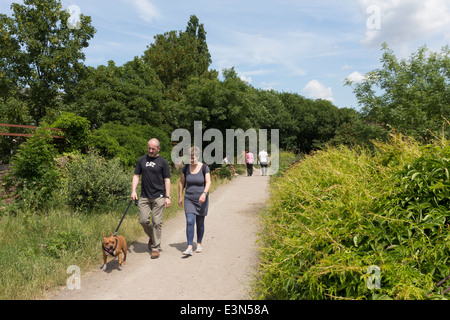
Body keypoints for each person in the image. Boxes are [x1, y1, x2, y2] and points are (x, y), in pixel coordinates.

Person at [131, 138, 171, 259]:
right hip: (144, 196)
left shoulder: (163, 162)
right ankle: (153, 237)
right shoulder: (142, 160)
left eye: (153, 148)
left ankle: (155, 247)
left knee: (157, 222)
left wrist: (167, 196)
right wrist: (133, 191)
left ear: (158, 149)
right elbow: (136, 175)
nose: (150, 150)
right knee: (143, 220)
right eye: (149, 148)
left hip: (159, 196)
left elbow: (167, 179)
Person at [178, 147, 211, 256]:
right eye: (190, 158)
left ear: (198, 157)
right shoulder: (185, 168)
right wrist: (180, 197)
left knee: (200, 222)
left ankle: (199, 243)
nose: (191, 160)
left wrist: (204, 193)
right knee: (190, 220)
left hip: (201, 199)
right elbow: (181, 183)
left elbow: (208, 182)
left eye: (193, 158)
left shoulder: (204, 167)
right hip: (189, 198)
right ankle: (189, 247)